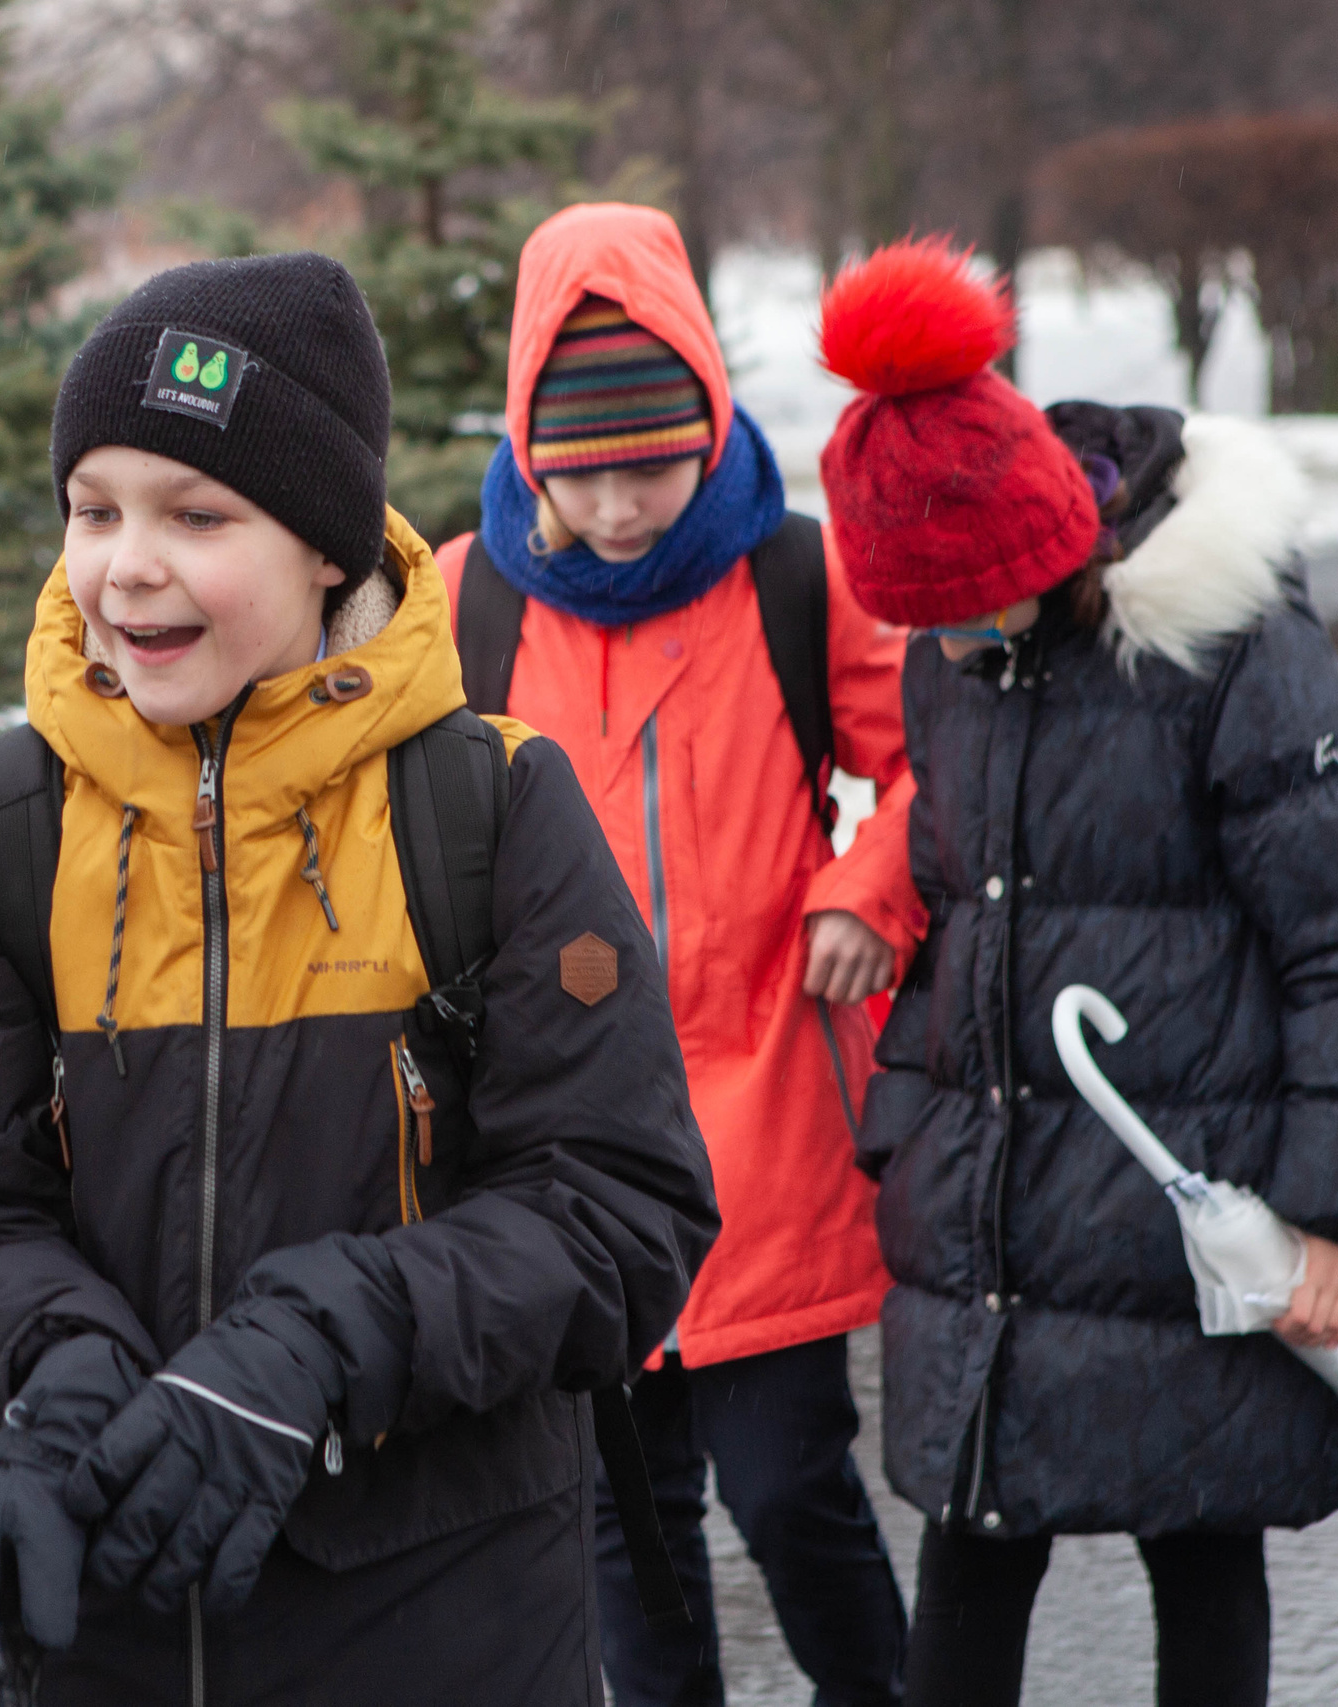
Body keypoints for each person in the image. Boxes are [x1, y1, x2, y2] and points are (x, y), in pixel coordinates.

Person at [0, 251, 720, 1706]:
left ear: (325, 545)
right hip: (100, 1629)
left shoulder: (491, 812)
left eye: (199, 514)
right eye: (95, 508)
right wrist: (50, 1367)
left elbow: (619, 1216)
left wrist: (320, 1342)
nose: (129, 564)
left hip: (445, 1638)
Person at [817, 238, 1338, 1707]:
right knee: (969, 1550)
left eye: (960, 611)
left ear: (1034, 554)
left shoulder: (1223, 638)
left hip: (1199, 1199)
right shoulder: (961, 658)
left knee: (1201, 1553)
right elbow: (957, 908)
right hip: (997, 1211)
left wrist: (1335, 1214)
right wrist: (904, 1139)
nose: (936, 645)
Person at [435, 202, 916, 1706]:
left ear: (710, 420)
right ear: (529, 449)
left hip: (763, 1115)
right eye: (585, 475)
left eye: (655, 462)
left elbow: (926, 768)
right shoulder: (467, 597)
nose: (627, 505)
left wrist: (867, 889)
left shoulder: (794, 573)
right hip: (559, 1141)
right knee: (619, 1522)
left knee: (791, 1492)